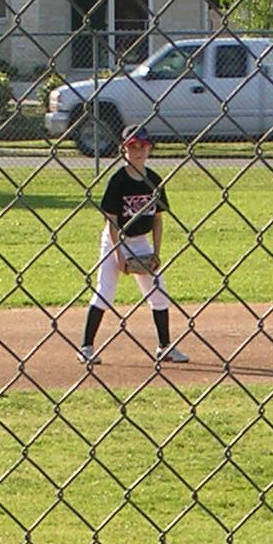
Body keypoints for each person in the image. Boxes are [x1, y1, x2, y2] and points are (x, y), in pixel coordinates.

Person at [79, 123, 190, 369]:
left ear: (149, 149)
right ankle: (86, 346)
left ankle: (165, 347)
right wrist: (118, 255)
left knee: (159, 293)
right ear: (124, 150)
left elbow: (159, 219)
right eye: (133, 147)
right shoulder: (118, 181)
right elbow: (111, 221)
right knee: (105, 291)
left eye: (143, 146)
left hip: (141, 242)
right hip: (115, 240)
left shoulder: (153, 180)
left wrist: (157, 253)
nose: (138, 152)